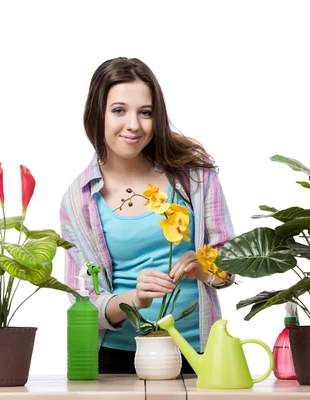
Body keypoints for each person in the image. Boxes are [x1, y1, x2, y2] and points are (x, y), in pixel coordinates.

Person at [60, 57, 235, 374]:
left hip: (198, 353)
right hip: (119, 359)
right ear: (97, 115)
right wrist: (133, 300)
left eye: (145, 112)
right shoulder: (78, 201)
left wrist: (204, 266)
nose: (134, 125)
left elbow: (233, 263)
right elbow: (82, 302)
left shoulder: (194, 175)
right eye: (118, 110)